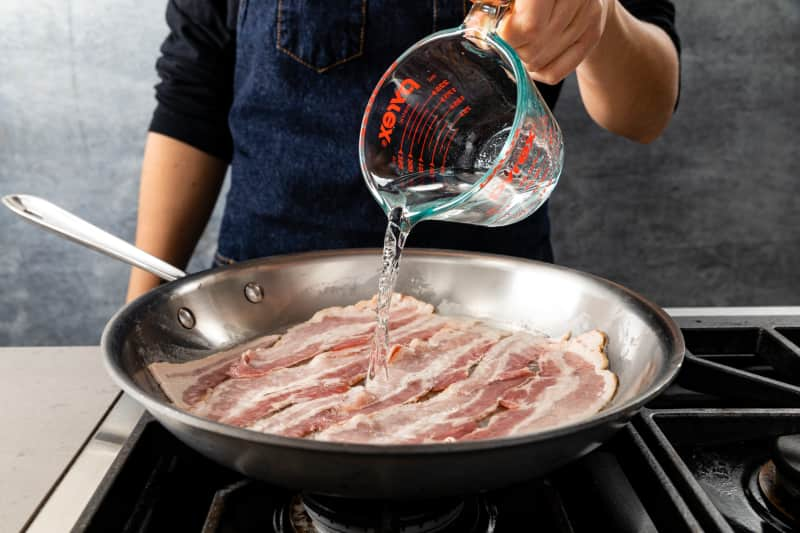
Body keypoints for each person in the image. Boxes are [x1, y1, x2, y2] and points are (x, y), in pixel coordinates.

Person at [126, 0, 680, 302]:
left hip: (495, 307)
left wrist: (601, 15)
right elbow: (192, 99)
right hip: (264, 302)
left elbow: (643, 115)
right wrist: (146, 312)